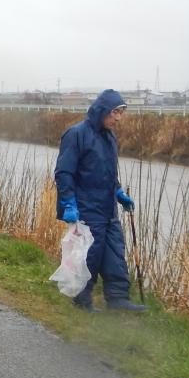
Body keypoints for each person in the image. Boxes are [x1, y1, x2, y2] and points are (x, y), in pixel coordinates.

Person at [53, 89, 146, 313]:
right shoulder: (76, 134)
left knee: (114, 251)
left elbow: (107, 172)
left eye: (121, 113)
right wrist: (69, 204)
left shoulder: (109, 137)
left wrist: (118, 192)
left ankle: (118, 298)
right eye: (115, 112)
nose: (118, 118)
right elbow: (64, 172)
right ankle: (82, 298)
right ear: (102, 110)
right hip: (85, 207)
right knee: (90, 254)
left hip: (108, 207)